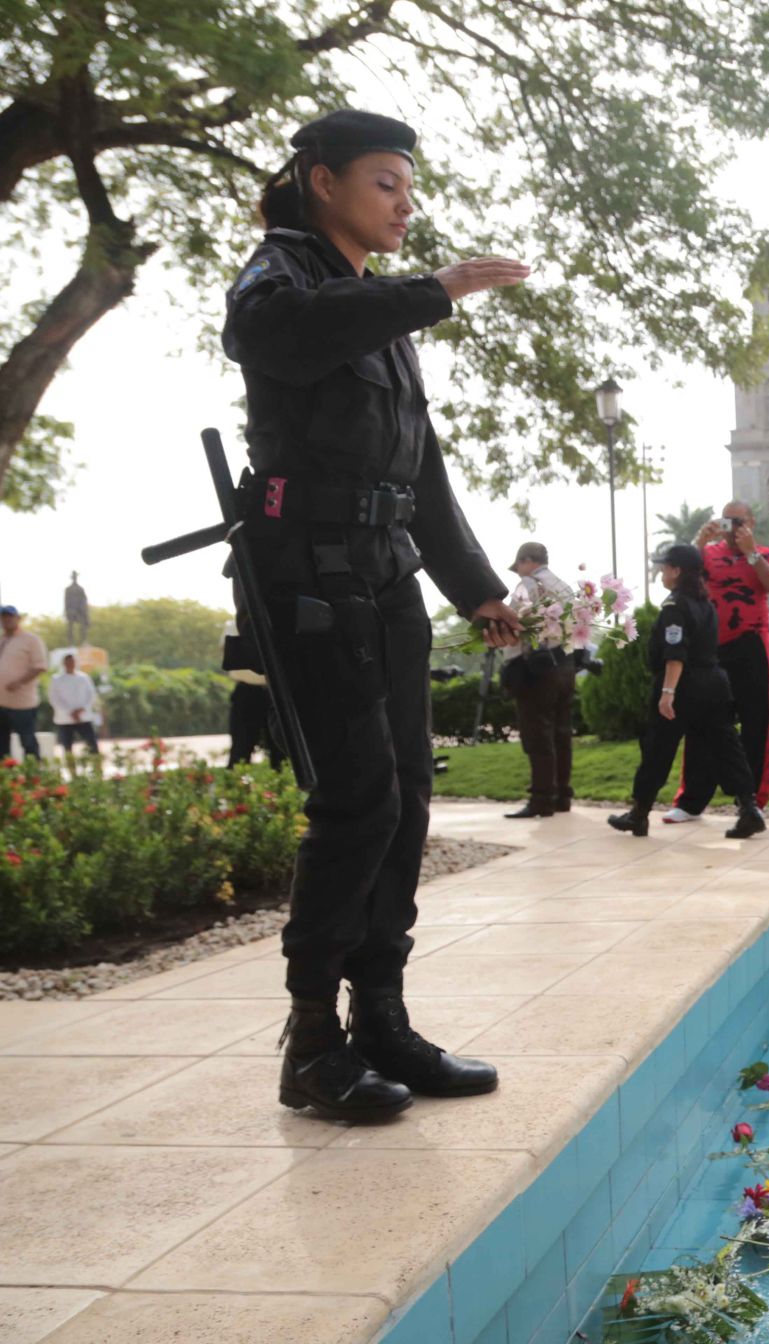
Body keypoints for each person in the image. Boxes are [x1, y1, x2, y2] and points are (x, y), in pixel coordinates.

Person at [223, 108, 528, 1122]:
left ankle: (380, 1019)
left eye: (408, 185)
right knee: (355, 799)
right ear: (322, 181)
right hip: (309, 575)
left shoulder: (378, 310)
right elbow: (268, 338)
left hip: (385, 573)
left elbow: (420, 473)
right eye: (385, 184)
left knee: (403, 793)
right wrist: (431, 291)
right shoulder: (282, 277)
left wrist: (476, 586)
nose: (406, 202)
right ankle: (310, 1042)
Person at [608, 543, 767, 840]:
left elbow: (675, 652)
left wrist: (668, 692)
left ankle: (639, 814)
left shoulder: (674, 606)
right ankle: (749, 809)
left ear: (676, 571)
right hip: (714, 686)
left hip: (683, 687)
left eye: (664, 567)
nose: (661, 573)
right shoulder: (704, 604)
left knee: (657, 750)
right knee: (726, 749)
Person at [664, 501, 769, 824]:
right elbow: (674, 582)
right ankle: (691, 802)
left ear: (752, 522)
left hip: (752, 644)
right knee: (702, 722)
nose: (734, 528)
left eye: (740, 522)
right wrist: (698, 544)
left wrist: (753, 555)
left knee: (756, 723)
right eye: (728, 521)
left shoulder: (765, 553)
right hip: (711, 649)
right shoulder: (707, 554)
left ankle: (751, 801)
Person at [501, 541, 579, 819]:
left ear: (526, 561)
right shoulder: (565, 587)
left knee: (538, 735)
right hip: (566, 664)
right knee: (561, 733)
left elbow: (511, 622)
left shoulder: (527, 585)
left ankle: (542, 799)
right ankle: (562, 797)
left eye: (519, 566)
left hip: (537, 668)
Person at [222, 619, 287, 770]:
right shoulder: (232, 625)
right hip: (247, 693)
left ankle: (280, 788)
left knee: (281, 751)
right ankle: (236, 788)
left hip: (274, 692)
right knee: (240, 748)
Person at [0, 606, 47, 759]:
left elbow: (39, 667)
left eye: (9, 617)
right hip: (1, 703)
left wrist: (18, 682)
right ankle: (6, 780)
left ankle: (34, 779)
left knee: (28, 743)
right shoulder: (2, 640)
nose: (6, 620)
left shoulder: (31, 640)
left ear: (18, 619)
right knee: (2, 746)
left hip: (22, 704)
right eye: (3, 617)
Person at [49, 652, 100, 756]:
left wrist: (81, 710)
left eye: (72, 661)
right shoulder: (57, 679)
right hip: (65, 718)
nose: (70, 664)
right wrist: (70, 712)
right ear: (64, 663)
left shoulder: (84, 677)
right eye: (68, 662)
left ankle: (97, 768)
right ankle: (72, 770)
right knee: (67, 747)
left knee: (92, 744)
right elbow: (54, 698)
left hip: (83, 717)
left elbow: (91, 695)